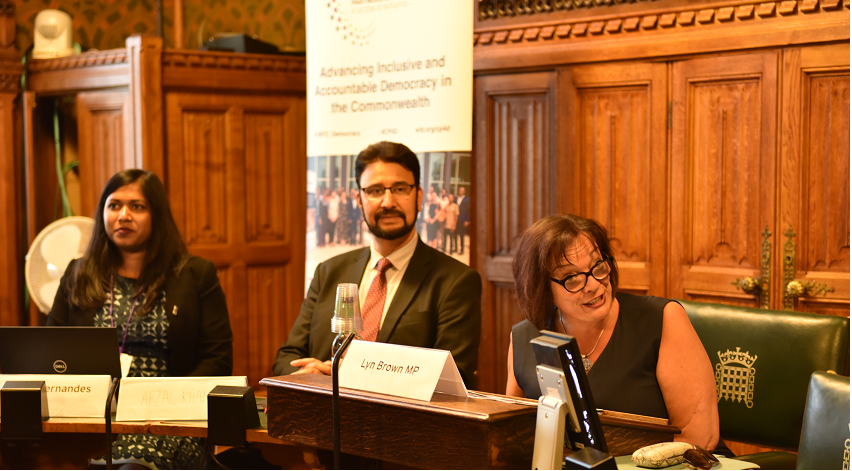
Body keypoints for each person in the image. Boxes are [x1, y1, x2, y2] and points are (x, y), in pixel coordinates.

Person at [48, 169, 233, 469]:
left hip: (167, 419)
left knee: (133, 467)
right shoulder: (77, 273)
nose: (123, 215)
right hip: (91, 416)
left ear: (157, 215)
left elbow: (218, 360)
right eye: (114, 205)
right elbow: (53, 353)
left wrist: (165, 401)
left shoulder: (195, 275)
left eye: (137, 206)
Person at [272, 141, 482, 388]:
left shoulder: (455, 281)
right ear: (359, 201)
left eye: (400, 189)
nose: (388, 202)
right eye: (374, 190)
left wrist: (346, 377)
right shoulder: (329, 272)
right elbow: (287, 358)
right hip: (322, 422)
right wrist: (310, 376)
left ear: (419, 197)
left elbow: (453, 381)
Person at [506, 214, 719, 450]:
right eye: (572, 278)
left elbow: (699, 438)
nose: (594, 285)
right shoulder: (526, 338)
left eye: (598, 266)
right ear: (542, 287)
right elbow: (515, 437)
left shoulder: (662, 320)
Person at [455, 187, 470, 255]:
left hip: (462, 220)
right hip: (456, 219)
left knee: (461, 235)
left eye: (462, 191)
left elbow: (469, 210)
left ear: (464, 192)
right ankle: (455, 248)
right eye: (460, 190)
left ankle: (462, 249)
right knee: (455, 234)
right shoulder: (455, 198)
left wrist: (467, 220)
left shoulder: (467, 200)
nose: (460, 191)